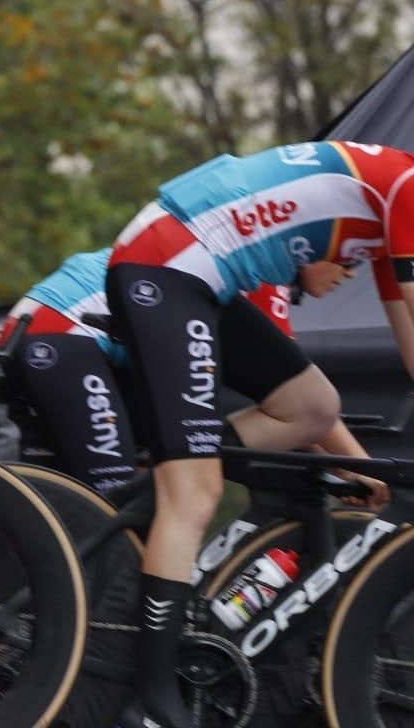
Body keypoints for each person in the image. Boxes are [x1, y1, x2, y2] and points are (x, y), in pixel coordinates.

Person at [103, 140, 414, 727]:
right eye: (341, 263)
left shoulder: (396, 205)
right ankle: (151, 701)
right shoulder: (408, 188)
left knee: (313, 405)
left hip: (198, 270)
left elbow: (408, 335)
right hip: (172, 263)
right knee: (195, 497)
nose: (346, 270)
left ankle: (175, 462)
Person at [2, 249, 381, 499]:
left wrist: (344, 468)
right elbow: (305, 403)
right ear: (309, 250)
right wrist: (365, 471)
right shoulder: (267, 278)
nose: (350, 274)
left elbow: (301, 417)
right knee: (116, 510)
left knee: (155, 494)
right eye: (349, 259)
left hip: (86, 349)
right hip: (59, 337)